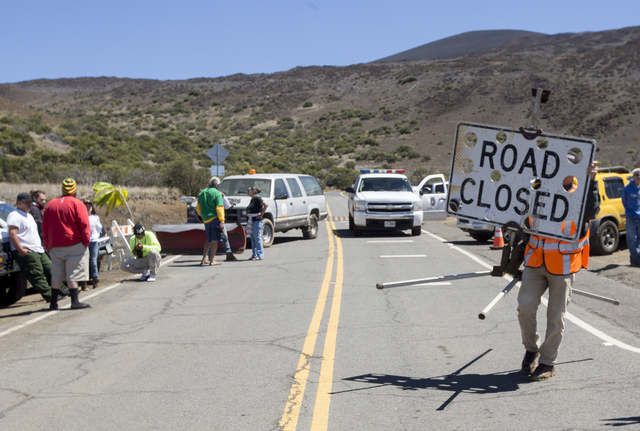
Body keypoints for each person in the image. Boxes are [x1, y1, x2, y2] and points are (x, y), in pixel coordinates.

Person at [518, 161, 600, 381]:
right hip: (535, 261)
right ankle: (531, 349)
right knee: (524, 308)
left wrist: (591, 180)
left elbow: (592, 211)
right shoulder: (538, 190)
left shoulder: (580, 194)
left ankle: (547, 362)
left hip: (563, 266)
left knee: (556, 317)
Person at [7, 193, 68, 304]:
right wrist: (21, 251)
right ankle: (50, 296)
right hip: (28, 251)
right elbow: (12, 234)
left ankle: (63, 291)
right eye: (26, 202)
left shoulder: (29, 215)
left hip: (38, 249)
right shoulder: (14, 215)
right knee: (37, 275)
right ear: (18, 203)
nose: (29, 204)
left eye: (30, 202)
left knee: (51, 270)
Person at [42, 178, 91, 310]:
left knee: (56, 274)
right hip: (73, 244)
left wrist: (48, 245)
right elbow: (85, 225)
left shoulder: (51, 204)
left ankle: (53, 303)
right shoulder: (78, 204)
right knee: (73, 273)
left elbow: (45, 227)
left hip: (55, 246)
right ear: (74, 190)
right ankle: (74, 301)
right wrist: (85, 242)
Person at [197, 176, 238, 265]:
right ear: (217, 185)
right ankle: (212, 260)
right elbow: (219, 208)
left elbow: (198, 207)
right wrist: (222, 221)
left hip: (206, 220)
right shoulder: (217, 193)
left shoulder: (202, 192)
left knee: (208, 239)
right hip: (215, 219)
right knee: (214, 240)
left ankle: (204, 259)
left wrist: (202, 216)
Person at [78, 200, 103, 290]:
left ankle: (95, 280)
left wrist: (96, 235)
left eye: (89, 206)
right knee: (84, 261)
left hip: (93, 241)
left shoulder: (95, 217)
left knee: (93, 261)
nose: (88, 208)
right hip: (84, 242)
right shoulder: (80, 216)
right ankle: (83, 282)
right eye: (86, 206)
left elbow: (99, 228)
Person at [622, 168, 640, 267]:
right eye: (636, 174)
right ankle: (634, 259)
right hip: (631, 218)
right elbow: (624, 202)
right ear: (633, 176)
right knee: (632, 240)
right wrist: (630, 212)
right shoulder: (627, 188)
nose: (638, 177)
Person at [246, 186, 268, 261]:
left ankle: (260, 255)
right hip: (252, 220)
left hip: (257, 220)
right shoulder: (252, 200)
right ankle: (254, 255)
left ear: (253, 191)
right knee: (252, 238)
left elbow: (265, 204)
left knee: (257, 237)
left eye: (249, 190)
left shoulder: (257, 198)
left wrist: (261, 214)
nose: (247, 191)